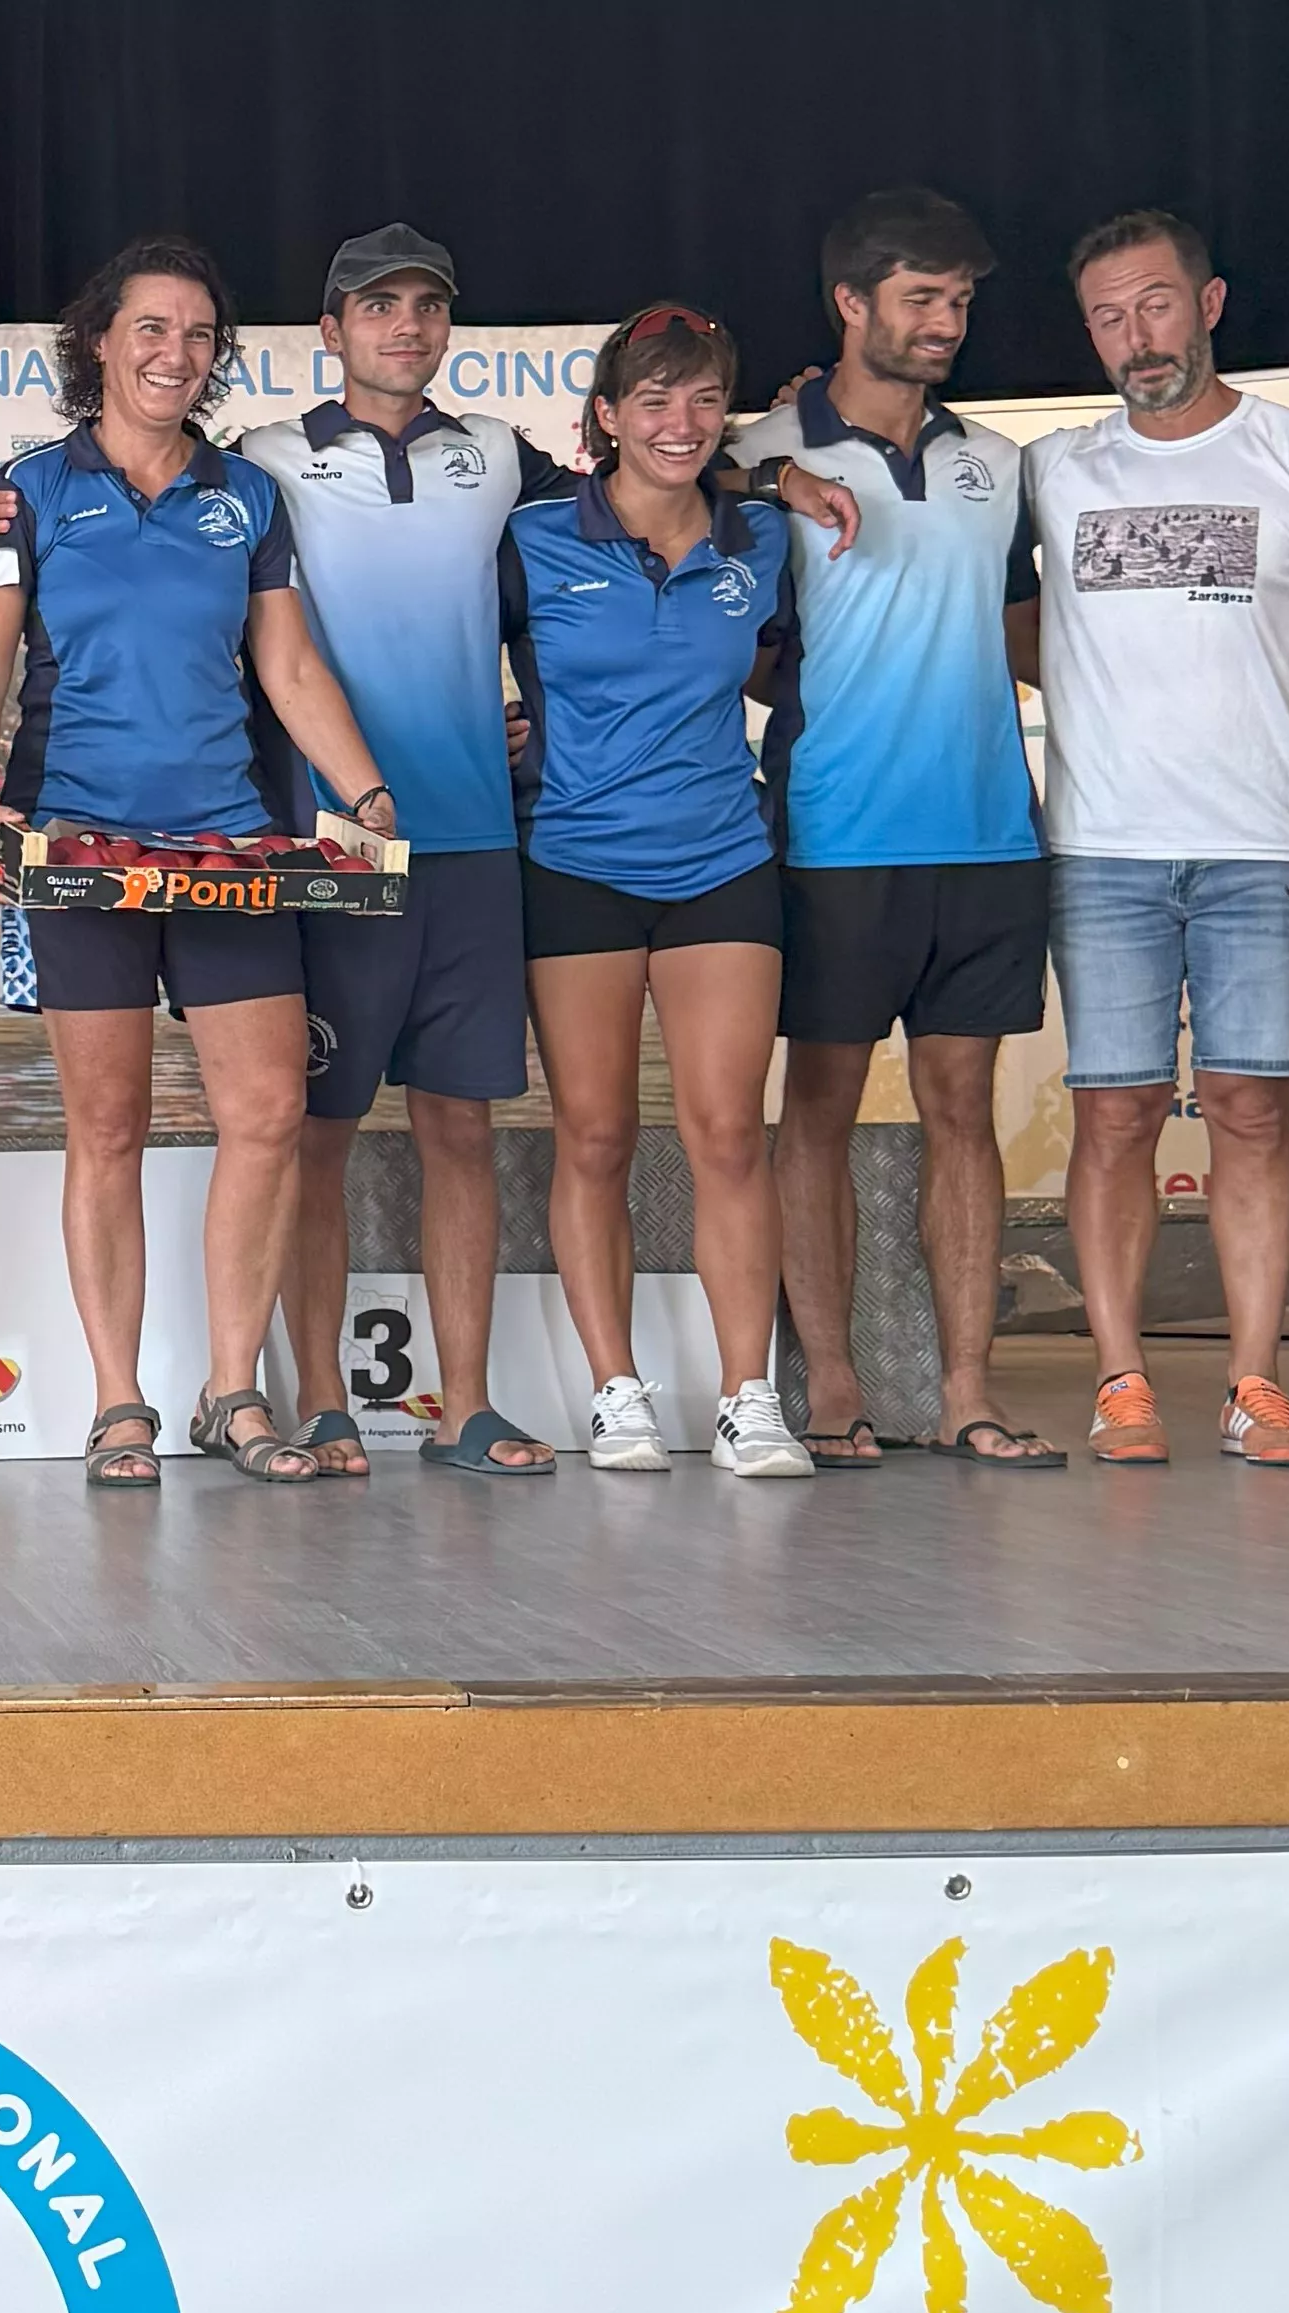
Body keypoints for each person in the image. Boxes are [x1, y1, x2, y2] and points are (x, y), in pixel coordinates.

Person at [0, 227, 848, 1484]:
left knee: (447, 1127)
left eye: (428, 307)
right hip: (284, 852)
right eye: (377, 308)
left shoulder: (487, 463)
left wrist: (774, 472)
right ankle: (294, 1400)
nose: (405, 329)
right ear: (329, 331)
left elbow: (654, 460)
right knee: (281, 1128)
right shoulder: (248, 465)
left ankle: (451, 1405)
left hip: (464, 840)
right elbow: (38, 643)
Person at [0, 236, 399, 1490]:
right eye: (150, 328)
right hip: (76, 841)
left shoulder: (245, 497)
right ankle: (118, 1401)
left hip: (231, 845)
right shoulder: (25, 491)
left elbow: (290, 668)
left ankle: (233, 1392)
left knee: (265, 1116)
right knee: (109, 1128)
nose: (174, 353)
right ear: (99, 340)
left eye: (198, 335)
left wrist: (363, 794)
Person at [1025, 209, 1289, 1470]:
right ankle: (1122, 1380)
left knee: (1252, 1107)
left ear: (1211, 302)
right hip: (1101, 847)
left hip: (1264, 849)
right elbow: (998, 620)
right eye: (1106, 316)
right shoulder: (1054, 469)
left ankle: (1256, 1383)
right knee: (1117, 1116)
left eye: (1154, 304)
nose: (1135, 336)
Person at [737, 191, 1062, 1470]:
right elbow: (739, 637)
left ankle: (971, 1390)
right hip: (832, 833)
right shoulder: (758, 445)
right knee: (812, 1112)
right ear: (851, 303)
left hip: (987, 833)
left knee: (965, 1113)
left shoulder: (1002, 463)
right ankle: (829, 1387)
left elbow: (1033, 632)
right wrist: (763, 468)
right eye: (923, 299)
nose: (948, 323)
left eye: (963, 301)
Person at [504, 303, 811, 1479]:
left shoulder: (763, 539)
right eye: (653, 400)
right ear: (607, 417)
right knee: (592, 1133)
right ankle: (615, 1390)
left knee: (729, 1133)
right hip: (574, 861)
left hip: (720, 862)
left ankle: (749, 1396)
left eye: (700, 400)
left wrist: (780, 474)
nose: (678, 423)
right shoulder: (530, 537)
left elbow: (786, 670)